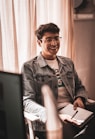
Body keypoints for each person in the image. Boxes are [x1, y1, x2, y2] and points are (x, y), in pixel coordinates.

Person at [22, 22, 95, 139]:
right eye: (49, 39)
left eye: (56, 38)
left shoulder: (67, 63)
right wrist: (53, 115)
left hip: (73, 111)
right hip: (49, 121)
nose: (54, 43)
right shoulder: (29, 67)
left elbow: (79, 87)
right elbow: (27, 102)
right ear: (39, 42)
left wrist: (79, 98)